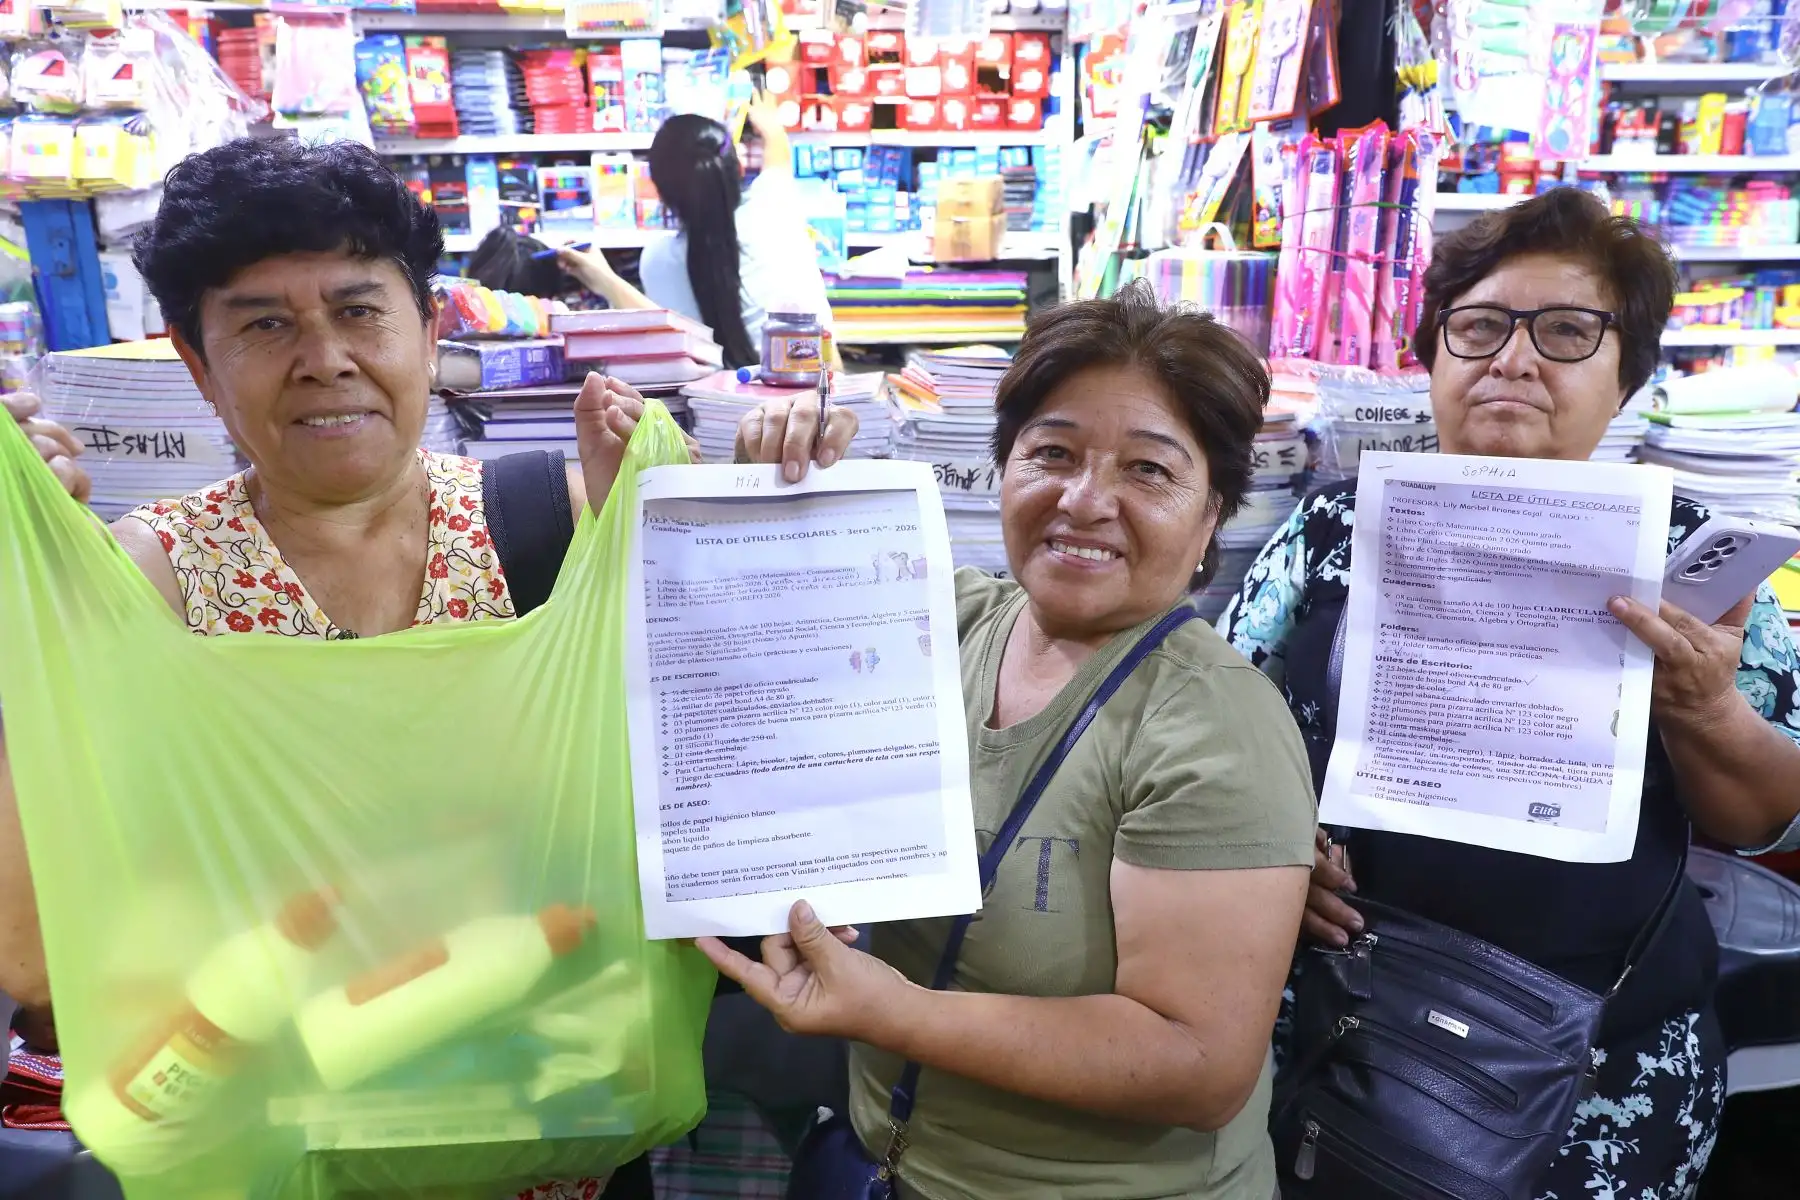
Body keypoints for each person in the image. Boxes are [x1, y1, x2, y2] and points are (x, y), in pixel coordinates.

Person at [0, 135, 854, 1199]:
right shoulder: (151, 589)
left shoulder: (555, 527)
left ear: (429, 326)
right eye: (265, 323)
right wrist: (29, 598)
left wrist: (774, 519)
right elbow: (33, 967)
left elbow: (749, 806)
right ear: (195, 363)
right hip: (282, 1162)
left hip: (565, 1146)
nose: (324, 357)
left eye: (359, 309)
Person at [1219, 187, 1800, 1198]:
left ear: (1627, 377)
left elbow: (1762, 815)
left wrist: (1707, 711)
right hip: (1343, 1028)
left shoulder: (1697, 558)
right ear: (1433, 354)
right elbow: (1217, 733)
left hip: (1598, 1062)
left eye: (1568, 331)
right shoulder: (1331, 532)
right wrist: (1271, 852)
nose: (1514, 359)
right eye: (1479, 326)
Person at [705, 282, 1319, 1199]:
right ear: (1002, 470)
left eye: (1148, 470)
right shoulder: (948, 624)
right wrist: (773, 485)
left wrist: (899, 1013)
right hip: (888, 1166)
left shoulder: (1213, 722)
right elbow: (742, 647)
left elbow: (1198, 1061)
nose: (1085, 499)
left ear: (1211, 521)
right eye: (1052, 453)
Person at [555, 106, 830, 370]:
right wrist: (768, 124)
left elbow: (668, 333)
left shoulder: (658, 259)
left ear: (659, 193)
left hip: (718, 408)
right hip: (818, 397)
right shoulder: (775, 207)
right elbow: (778, 154)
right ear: (739, 169)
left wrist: (603, 278)